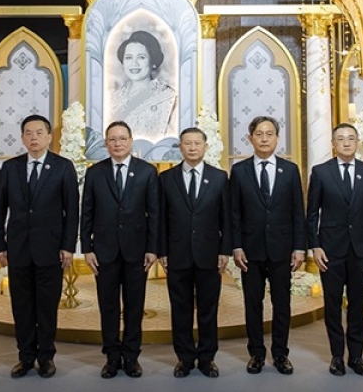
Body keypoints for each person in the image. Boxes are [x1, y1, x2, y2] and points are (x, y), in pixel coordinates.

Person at [0, 114, 79, 378]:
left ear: (49, 136)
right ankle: (26, 356)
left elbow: (72, 211)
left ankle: (46, 356)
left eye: (39, 133)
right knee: (22, 306)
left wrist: (68, 246)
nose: (34, 138)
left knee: (47, 307)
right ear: (22, 138)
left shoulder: (63, 167)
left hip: (50, 250)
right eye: (28, 133)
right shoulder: (11, 168)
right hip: (18, 249)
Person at [80, 121, 160, 378]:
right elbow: (87, 213)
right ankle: (112, 357)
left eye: (122, 138)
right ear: (106, 143)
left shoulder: (147, 172)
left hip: (137, 252)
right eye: (112, 139)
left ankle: (132, 356)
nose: (118, 143)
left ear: (131, 141)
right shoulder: (95, 173)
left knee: (135, 307)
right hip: (104, 252)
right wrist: (87, 248)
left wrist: (152, 248)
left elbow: (154, 214)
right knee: (108, 306)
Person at [230, 116, 305, 375]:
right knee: (253, 304)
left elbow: (298, 212)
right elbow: (234, 213)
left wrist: (299, 247)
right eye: (259, 134)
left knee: (282, 304)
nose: (264, 139)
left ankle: (281, 354)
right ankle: (256, 353)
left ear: (277, 138)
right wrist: (236, 246)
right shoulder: (239, 171)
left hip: (282, 249)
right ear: (250, 138)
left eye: (269, 134)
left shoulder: (290, 170)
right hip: (249, 251)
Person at [306, 123, 363, 376]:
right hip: (330, 250)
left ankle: (356, 357)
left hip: (361, 250)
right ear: (333, 144)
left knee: (358, 305)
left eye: (351, 138)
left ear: (358, 143)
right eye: (340, 139)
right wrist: (315, 246)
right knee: (332, 305)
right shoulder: (321, 172)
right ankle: (337, 356)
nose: (346, 143)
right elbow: (312, 213)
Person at [158, 127, 230, 378]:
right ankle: (185, 358)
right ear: (180, 147)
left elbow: (226, 218)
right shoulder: (166, 178)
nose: (192, 148)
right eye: (187, 143)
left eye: (197, 143)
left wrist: (225, 249)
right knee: (181, 309)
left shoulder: (219, 177)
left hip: (209, 254)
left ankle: (207, 358)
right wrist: (162, 250)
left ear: (205, 147)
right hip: (177, 254)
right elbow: (160, 219)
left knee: (209, 309)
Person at [109, 30, 177, 140]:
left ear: (153, 62)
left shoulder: (169, 98)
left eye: (141, 57)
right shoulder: (113, 98)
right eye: (129, 57)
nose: (134, 63)